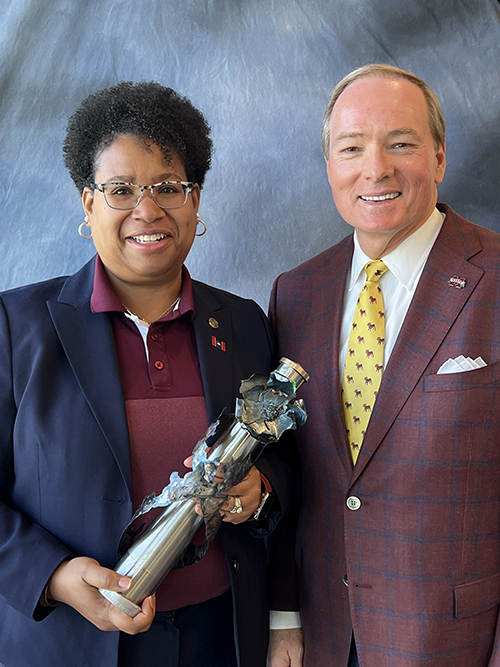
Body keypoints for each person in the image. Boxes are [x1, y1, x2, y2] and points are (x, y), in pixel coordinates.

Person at [0, 81, 295, 667]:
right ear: (88, 205)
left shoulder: (244, 323)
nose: (148, 209)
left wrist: (260, 492)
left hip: (220, 639)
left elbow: (289, 461)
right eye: (121, 190)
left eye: (168, 187)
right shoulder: (15, 327)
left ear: (196, 200)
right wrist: (55, 576)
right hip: (69, 644)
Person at [268, 63, 500, 667]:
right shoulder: (296, 294)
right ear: (330, 167)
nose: (376, 169)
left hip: (457, 642)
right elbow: (292, 470)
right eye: (352, 148)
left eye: (401, 144)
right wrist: (285, 615)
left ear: (440, 158)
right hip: (324, 638)